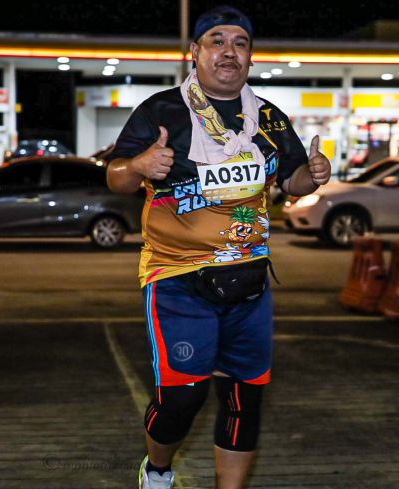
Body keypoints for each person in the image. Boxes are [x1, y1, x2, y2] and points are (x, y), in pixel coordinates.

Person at [107, 5, 331, 489]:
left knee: (244, 398)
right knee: (182, 398)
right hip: (177, 279)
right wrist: (139, 166)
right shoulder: (161, 111)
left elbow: (291, 179)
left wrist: (312, 175)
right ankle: (158, 470)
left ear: (250, 56)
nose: (229, 51)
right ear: (195, 51)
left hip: (249, 280)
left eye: (240, 43)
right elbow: (116, 177)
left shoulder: (268, 118)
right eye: (217, 41)